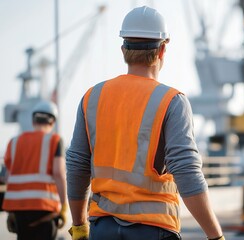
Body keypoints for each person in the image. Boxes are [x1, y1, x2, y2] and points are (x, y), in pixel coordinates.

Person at [66, 6, 224, 240]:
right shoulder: (171, 101)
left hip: (102, 228)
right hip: (153, 229)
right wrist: (215, 235)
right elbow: (186, 170)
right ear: (162, 50)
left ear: (123, 50)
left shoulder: (92, 97)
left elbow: (77, 165)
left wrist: (79, 225)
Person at [2, 100, 67, 240]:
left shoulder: (14, 142)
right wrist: (64, 206)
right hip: (44, 208)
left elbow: (8, 177)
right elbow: (59, 173)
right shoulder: (55, 140)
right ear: (52, 122)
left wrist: (10, 212)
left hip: (19, 209)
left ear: (33, 121)